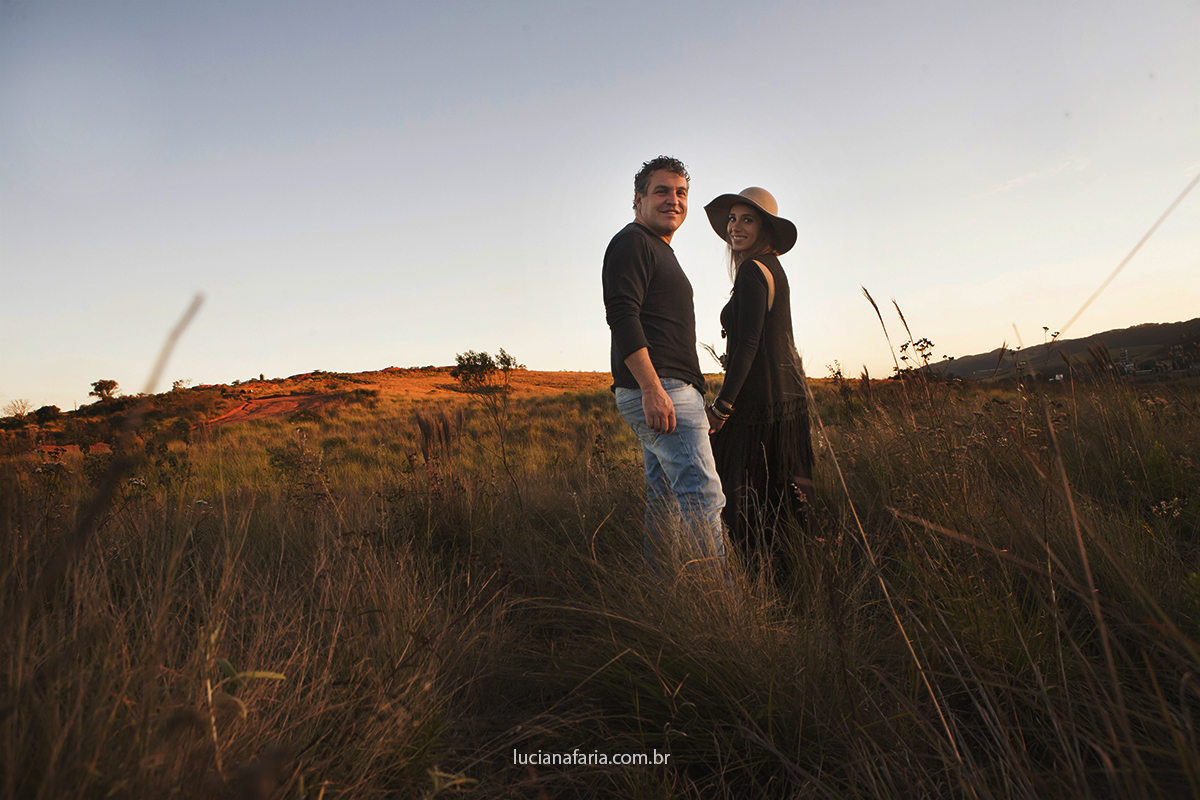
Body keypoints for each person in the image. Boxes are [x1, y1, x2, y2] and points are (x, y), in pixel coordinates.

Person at [602, 156, 726, 572]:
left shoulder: (658, 248)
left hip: (665, 389)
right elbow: (622, 315)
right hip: (661, 389)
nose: (673, 200)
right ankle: (717, 605)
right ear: (638, 200)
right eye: (661, 191)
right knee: (702, 496)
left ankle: (662, 590)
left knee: (666, 495)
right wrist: (652, 389)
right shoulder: (633, 242)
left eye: (681, 193)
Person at [702, 187, 814, 563]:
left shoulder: (753, 270)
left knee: (744, 502)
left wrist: (721, 408)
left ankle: (755, 582)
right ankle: (791, 576)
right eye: (732, 218)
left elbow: (748, 345)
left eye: (747, 219)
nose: (735, 226)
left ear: (764, 226)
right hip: (787, 405)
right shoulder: (773, 268)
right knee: (782, 501)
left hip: (759, 408)